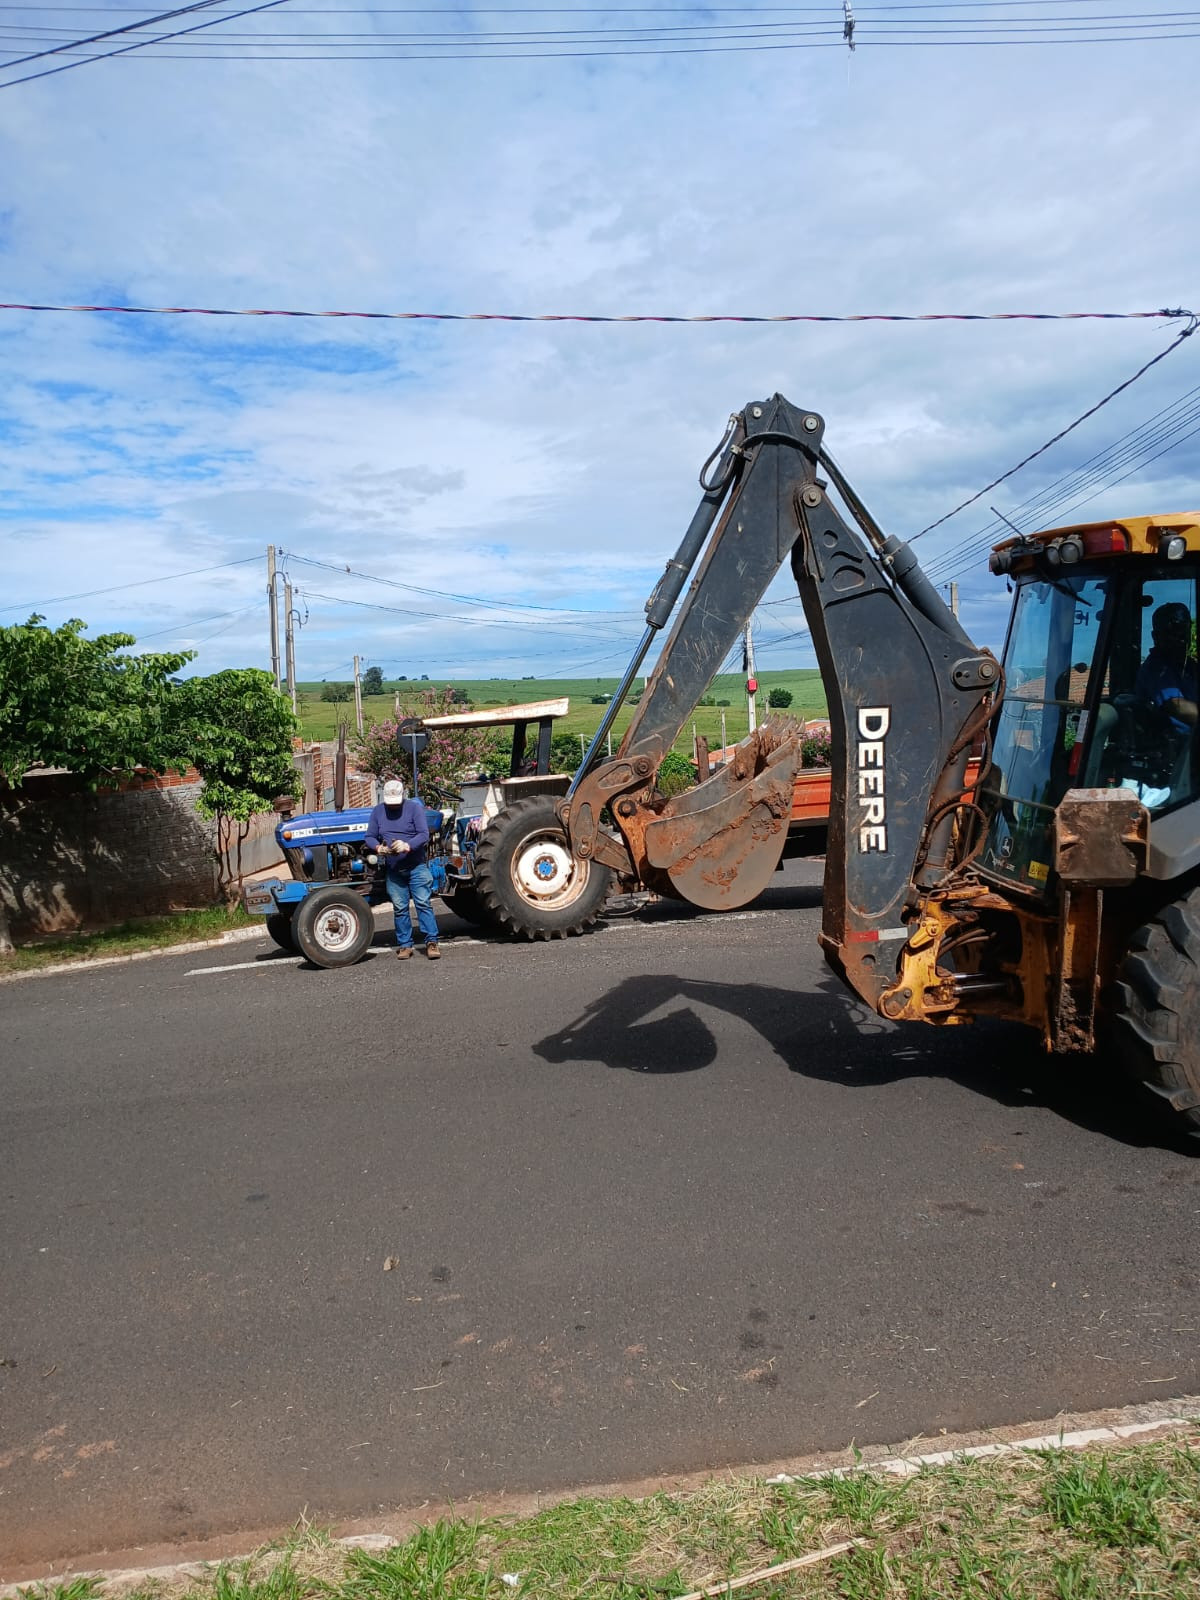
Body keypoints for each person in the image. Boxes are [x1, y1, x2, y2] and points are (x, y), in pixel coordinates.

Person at [364, 778, 441, 960]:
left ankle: (432, 942)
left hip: (416, 866)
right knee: (400, 908)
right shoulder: (378, 812)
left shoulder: (414, 809)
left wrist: (407, 845)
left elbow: (423, 834)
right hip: (394, 868)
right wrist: (378, 848)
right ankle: (405, 945)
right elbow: (369, 836)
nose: (393, 807)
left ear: (403, 796)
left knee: (423, 903)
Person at [1136, 601, 1198, 732]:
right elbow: (1177, 706)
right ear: (1156, 636)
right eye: (1173, 632)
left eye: (1184, 631)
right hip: (1179, 747)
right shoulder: (1156, 667)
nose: (1181, 639)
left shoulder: (1189, 666)